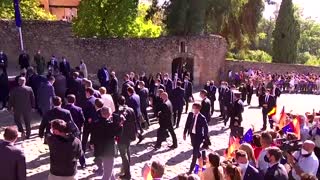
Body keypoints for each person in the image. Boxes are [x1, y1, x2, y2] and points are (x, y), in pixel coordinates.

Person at [91, 107, 122, 179]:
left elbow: (93, 135)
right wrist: (120, 126)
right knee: (107, 173)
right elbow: (117, 134)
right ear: (108, 114)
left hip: (99, 149)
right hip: (108, 150)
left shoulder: (96, 123)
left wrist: (92, 144)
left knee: (109, 168)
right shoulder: (109, 125)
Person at [183, 103, 209, 174]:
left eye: (194, 108)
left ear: (198, 109)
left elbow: (206, 128)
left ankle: (191, 169)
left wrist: (204, 137)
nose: (193, 109)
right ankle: (201, 156)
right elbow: (187, 124)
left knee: (194, 153)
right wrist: (184, 132)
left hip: (199, 137)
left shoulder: (202, 117)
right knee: (196, 150)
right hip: (192, 135)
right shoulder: (190, 114)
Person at [117, 96, 137, 179]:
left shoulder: (119, 112)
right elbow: (134, 121)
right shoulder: (131, 109)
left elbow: (119, 124)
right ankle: (126, 169)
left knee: (123, 154)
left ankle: (127, 173)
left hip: (122, 135)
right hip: (129, 134)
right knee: (127, 151)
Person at [81, 87, 97, 164]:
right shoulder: (95, 99)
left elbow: (84, 113)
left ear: (88, 92)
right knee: (93, 138)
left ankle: (82, 155)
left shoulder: (87, 101)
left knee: (84, 139)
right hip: (95, 123)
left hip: (88, 123)